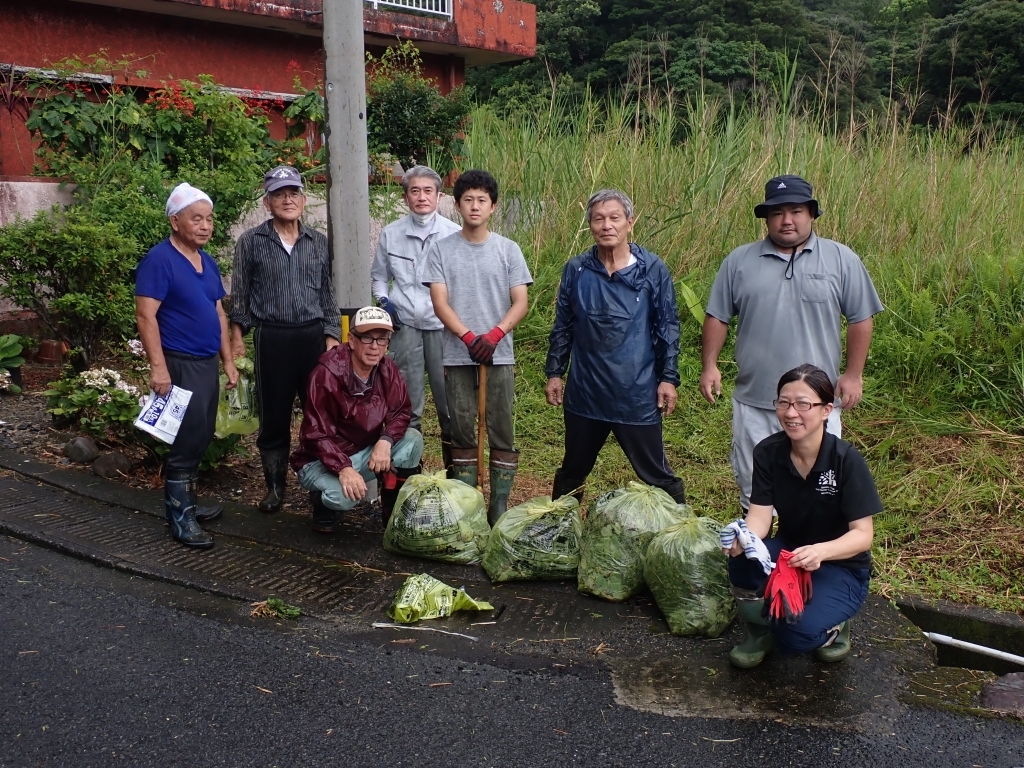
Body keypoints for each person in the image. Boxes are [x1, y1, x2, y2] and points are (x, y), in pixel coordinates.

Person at [700, 175, 883, 511]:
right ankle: (760, 554)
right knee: (755, 486)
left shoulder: (841, 259)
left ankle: (813, 555)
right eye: (777, 213)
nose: (787, 220)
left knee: (822, 487)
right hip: (756, 399)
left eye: (796, 211)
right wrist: (710, 365)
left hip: (816, 403)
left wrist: (853, 374)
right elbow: (718, 316)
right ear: (766, 218)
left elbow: (861, 317)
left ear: (811, 214)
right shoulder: (739, 262)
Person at [723, 364, 882, 668]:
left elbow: (863, 535)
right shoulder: (768, 453)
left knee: (795, 638)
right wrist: (745, 537)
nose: (791, 413)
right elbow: (760, 516)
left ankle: (836, 626)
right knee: (743, 557)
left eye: (803, 404)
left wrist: (821, 552)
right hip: (789, 555)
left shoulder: (846, 460)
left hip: (841, 566)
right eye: (784, 402)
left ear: (826, 410)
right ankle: (759, 632)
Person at [544, 189, 686, 504]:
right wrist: (555, 372)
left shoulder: (652, 269)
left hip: (635, 394)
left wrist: (668, 378)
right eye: (598, 219)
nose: (607, 225)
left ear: (629, 223)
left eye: (614, 218)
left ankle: (681, 535)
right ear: (590, 226)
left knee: (656, 472)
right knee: (573, 468)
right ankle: (560, 529)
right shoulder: (577, 270)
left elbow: (667, 326)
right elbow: (564, 325)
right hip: (585, 392)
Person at [229, 165, 341, 515]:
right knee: (274, 416)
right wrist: (236, 340)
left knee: (318, 415)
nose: (287, 200)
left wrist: (332, 335)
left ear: (304, 200)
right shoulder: (251, 242)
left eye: (293, 193)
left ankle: (317, 485)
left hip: (311, 337)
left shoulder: (318, 242)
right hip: (271, 339)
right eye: (279, 194)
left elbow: (327, 294)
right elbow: (241, 297)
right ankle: (275, 488)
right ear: (267, 201)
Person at [424, 169, 533, 525]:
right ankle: (466, 502)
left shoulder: (508, 249)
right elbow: (440, 302)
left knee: (501, 424)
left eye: (481, 200)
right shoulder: (441, 249)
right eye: (467, 199)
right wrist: (469, 337)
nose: (474, 206)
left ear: (493, 207)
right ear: (457, 205)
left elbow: (520, 302)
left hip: (498, 354)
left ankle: (498, 503)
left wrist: (495, 335)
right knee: (461, 426)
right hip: (457, 354)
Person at [135, 183, 239, 549]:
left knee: (202, 432)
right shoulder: (159, 260)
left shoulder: (205, 260)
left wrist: (228, 361)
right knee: (187, 436)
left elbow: (218, 312)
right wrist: (158, 368)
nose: (205, 225)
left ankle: (190, 503)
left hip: (206, 361)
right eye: (197, 218)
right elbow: (146, 317)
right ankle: (181, 517)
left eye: (209, 218)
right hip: (180, 362)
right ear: (175, 220)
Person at [290, 306, 423, 533]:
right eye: (367, 338)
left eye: (382, 340)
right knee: (344, 499)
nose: (374, 346)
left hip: (362, 451)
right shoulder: (326, 374)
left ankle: (392, 513)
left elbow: (401, 411)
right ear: (351, 340)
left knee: (412, 439)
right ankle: (321, 502)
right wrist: (343, 468)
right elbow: (315, 434)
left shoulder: (386, 368)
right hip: (320, 461)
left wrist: (386, 440)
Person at [371, 165, 460, 471]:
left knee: (449, 401)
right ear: (405, 196)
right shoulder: (391, 234)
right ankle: (409, 471)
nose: (421, 197)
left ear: (439, 196)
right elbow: (379, 278)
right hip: (404, 324)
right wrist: (384, 303)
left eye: (428, 191)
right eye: (414, 191)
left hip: (443, 328)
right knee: (406, 402)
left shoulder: (454, 235)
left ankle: (455, 473)